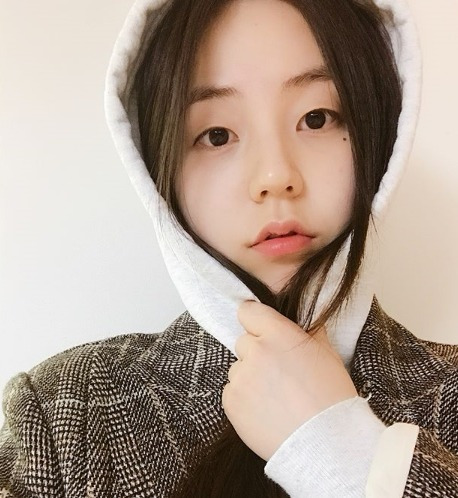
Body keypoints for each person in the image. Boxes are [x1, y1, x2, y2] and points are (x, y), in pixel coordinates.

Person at [0, 0, 456, 496]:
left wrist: (343, 452)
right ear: (157, 169)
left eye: (317, 118)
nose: (275, 176)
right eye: (217, 135)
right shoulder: (66, 414)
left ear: (382, 138)